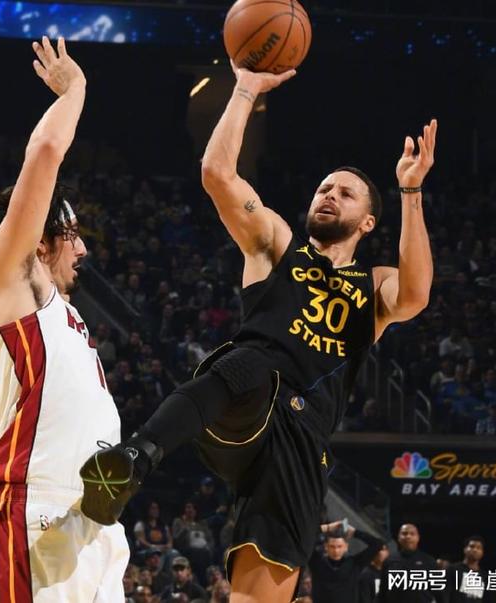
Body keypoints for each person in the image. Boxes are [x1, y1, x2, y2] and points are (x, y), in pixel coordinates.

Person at [81, 61, 436, 602]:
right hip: (245, 399)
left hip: (303, 438)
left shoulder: (375, 284)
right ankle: (135, 458)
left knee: (259, 590)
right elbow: (216, 174)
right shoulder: (277, 244)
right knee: (252, 358)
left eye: (345, 193)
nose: (328, 195)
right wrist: (245, 88)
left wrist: (410, 191)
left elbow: (415, 295)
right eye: (324, 188)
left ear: (368, 222)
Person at [0, 37, 128, 601]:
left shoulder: (66, 316)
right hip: (34, 512)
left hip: (97, 524)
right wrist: (75, 89)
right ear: (40, 242)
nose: (82, 249)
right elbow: (44, 154)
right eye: (72, 235)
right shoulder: (11, 285)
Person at [308, 519, 384, 603]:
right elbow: (304, 539)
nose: (336, 551)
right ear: (326, 547)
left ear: (346, 547)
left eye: (339, 546)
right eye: (332, 546)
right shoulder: (317, 562)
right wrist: (327, 527)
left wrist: (355, 532)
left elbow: (378, 544)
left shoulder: (355, 563)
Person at [377, 524, 440, 603]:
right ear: (399, 538)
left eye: (412, 534)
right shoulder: (389, 561)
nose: (408, 536)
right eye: (404, 533)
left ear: (418, 538)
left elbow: (439, 593)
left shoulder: (429, 561)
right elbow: (382, 592)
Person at [446, 536, 488, 603]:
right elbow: (445, 594)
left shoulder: (484, 576)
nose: (475, 550)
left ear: (482, 552)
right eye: (472, 546)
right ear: (465, 549)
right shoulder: (453, 569)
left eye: (479, 548)